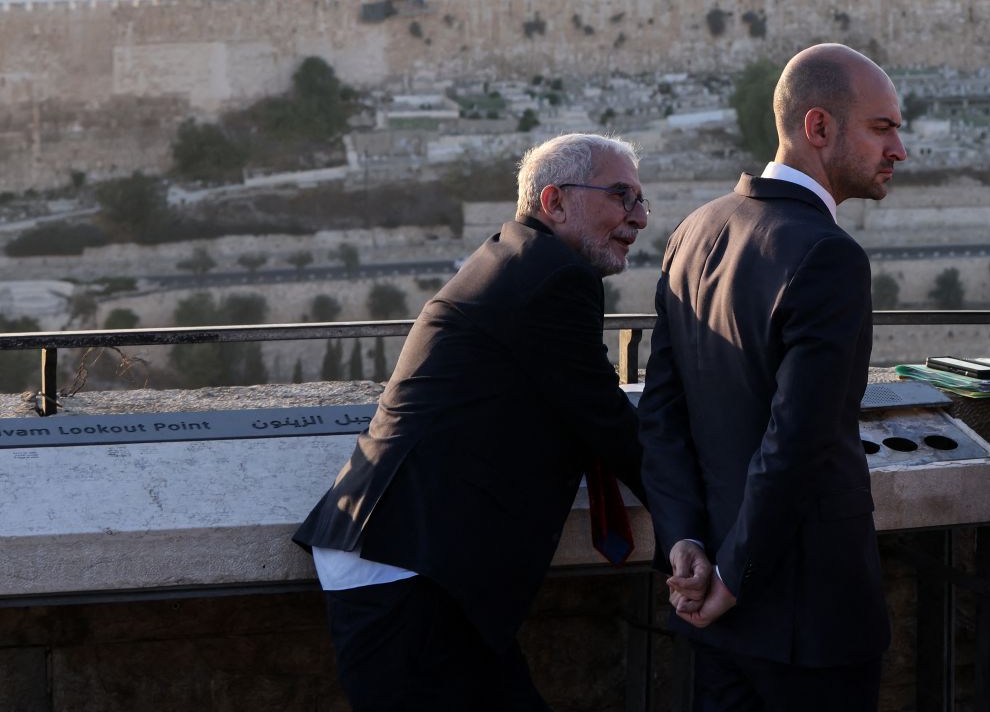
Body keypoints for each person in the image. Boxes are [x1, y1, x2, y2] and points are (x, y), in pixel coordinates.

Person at [293, 133, 653, 712]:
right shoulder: (554, 277)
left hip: (408, 556)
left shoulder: (516, 256)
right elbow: (605, 420)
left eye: (640, 201)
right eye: (620, 196)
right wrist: (700, 516)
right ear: (554, 201)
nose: (637, 218)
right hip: (409, 562)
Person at [637, 44, 904, 712]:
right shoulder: (827, 256)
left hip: (711, 611)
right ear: (818, 128)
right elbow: (797, 444)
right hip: (807, 622)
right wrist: (735, 574)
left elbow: (661, 417)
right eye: (882, 128)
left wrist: (687, 545)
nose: (899, 149)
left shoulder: (694, 232)